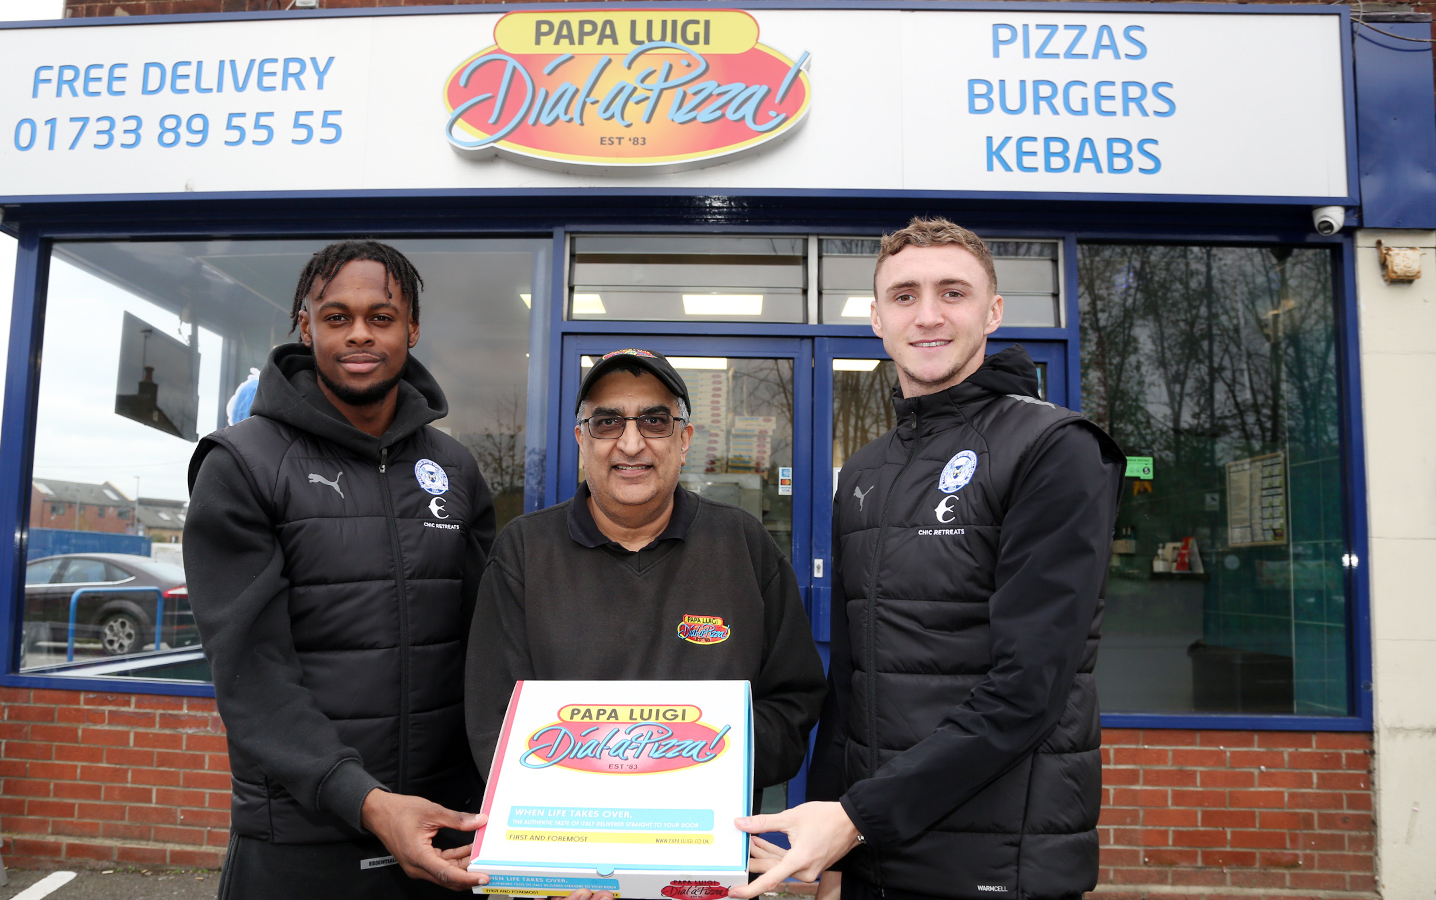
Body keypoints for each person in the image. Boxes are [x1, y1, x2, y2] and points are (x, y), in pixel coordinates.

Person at [732, 218, 1124, 900]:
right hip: (875, 854)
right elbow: (850, 687)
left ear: (992, 312)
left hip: (999, 862)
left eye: (954, 292)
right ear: (878, 319)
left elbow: (1028, 690)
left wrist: (853, 820)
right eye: (905, 296)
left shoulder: (1054, 448)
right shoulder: (863, 472)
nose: (929, 315)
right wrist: (830, 846)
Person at [184, 240, 497, 899]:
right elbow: (251, 676)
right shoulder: (242, 465)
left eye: (381, 317)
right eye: (337, 316)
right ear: (306, 325)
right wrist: (365, 800)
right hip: (302, 833)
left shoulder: (456, 469)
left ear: (412, 329)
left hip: (445, 826)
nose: (360, 333)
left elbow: (490, 647)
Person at [464, 348, 827, 853]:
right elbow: (495, 722)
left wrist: (692, 760)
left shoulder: (743, 545)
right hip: (566, 854)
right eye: (607, 422)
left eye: (655, 421)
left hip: (703, 854)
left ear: (684, 440)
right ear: (581, 440)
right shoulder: (525, 552)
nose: (630, 444)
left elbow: (793, 704)